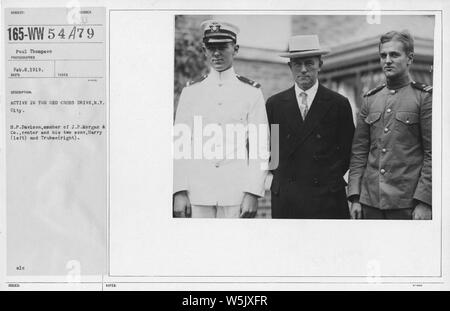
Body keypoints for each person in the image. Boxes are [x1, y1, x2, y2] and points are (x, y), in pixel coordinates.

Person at [173, 20, 269, 218]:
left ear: (235, 49)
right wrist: (179, 191)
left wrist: (252, 192)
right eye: (211, 47)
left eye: (222, 47)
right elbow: (180, 145)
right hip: (198, 192)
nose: (216, 53)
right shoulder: (191, 92)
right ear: (204, 49)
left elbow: (261, 146)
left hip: (237, 193)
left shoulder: (251, 92)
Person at [266, 35, 355, 219]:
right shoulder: (275, 104)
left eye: (309, 63)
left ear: (320, 64)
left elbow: (349, 152)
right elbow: (269, 153)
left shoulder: (339, 104)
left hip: (327, 198)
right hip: (287, 199)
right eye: (297, 64)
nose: (304, 70)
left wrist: (327, 179)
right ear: (290, 67)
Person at [348, 30, 432, 220]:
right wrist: (355, 197)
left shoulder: (424, 97)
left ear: (409, 58)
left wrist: (425, 201)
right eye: (383, 55)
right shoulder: (370, 99)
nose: (387, 60)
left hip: (407, 205)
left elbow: (432, 154)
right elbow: (359, 152)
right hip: (369, 203)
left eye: (394, 54)